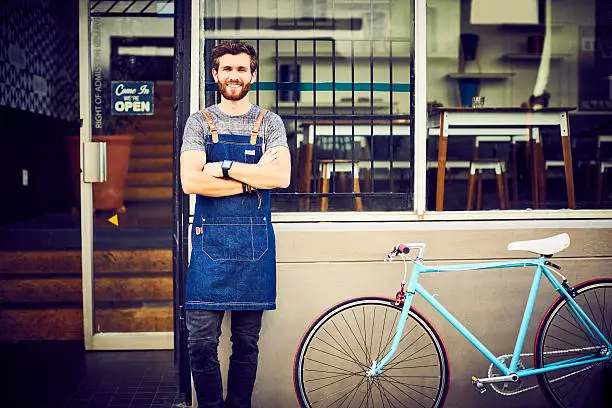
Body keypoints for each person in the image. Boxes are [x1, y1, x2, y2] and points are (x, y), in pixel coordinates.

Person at [180, 40, 290, 408]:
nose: (234, 75)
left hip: (254, 248)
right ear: (215, 74)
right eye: (227, 68)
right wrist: (252, 177)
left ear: (252, 75)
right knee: (198, 343)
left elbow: (281, 177)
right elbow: (191, 182)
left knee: (246, 343)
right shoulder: (199, 122)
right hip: (209, 251)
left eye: (242, 69)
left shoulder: (269, 122)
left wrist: (225, 169)